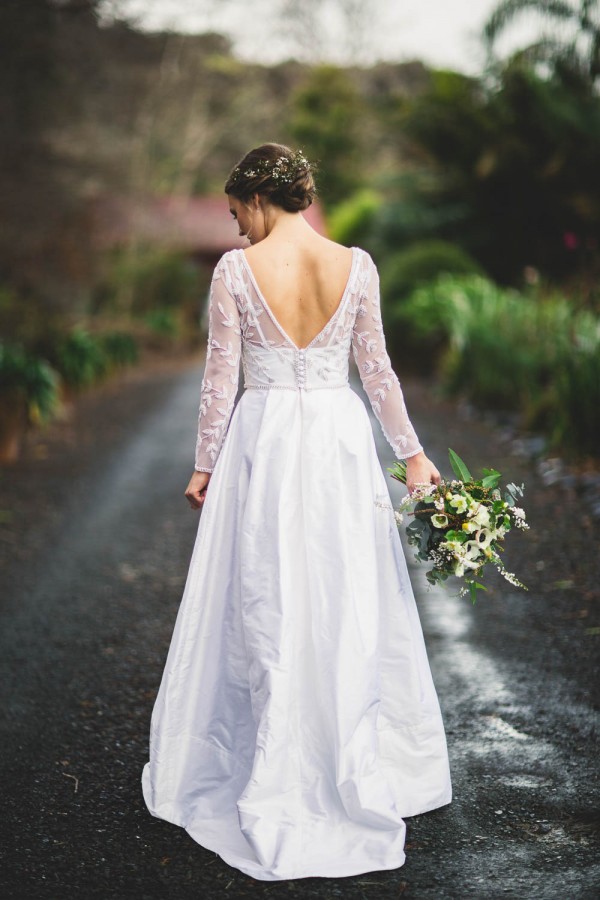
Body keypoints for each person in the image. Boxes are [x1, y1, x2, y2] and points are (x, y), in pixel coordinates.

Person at [141, 143, 452, 881]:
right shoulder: (359, 265)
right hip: (341, 441)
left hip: (268, 443)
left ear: (256, 200)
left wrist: (204, 463)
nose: (237, 229)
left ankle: (277, 747)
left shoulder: (235, 272)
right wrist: (412, 453)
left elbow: (221, 376)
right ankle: (345, 741)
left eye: (235, 213)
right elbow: (376, 370)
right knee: (342, 591)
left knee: (266, 594)